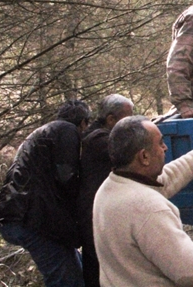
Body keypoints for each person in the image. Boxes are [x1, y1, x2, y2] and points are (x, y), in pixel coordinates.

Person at [93, 116, 193, 286]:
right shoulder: (149, 208)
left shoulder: (110, 189)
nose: (165, 147)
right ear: (144, 156)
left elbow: (166, 179)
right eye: (160, 143)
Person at [0, 100, 91, 287]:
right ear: (83, 122)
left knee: (76, 268)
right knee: (67, 280)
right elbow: (67, 177)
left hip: (16, 215)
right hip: (29, 219)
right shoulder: (66, 130)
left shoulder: (44, 132)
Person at [77, 94, 134, 287]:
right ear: (111, 119)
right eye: (128, 118)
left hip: (95, 212)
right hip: (94, 215)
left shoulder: (96, 136)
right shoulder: (98, 140)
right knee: (100, 270)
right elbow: (130, 149)